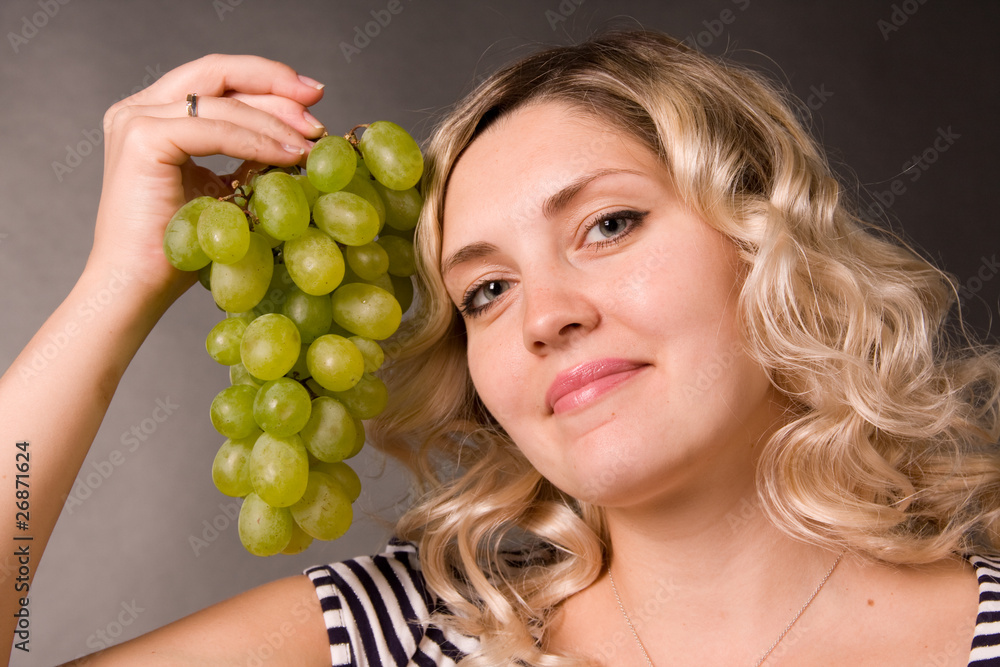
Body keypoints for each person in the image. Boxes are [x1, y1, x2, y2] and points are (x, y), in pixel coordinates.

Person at [2, 29, 999, 666]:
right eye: (486, 288)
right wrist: (115, 290)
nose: (544, 315)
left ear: (762, 242)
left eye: (607, 225)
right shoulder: (391, 639)